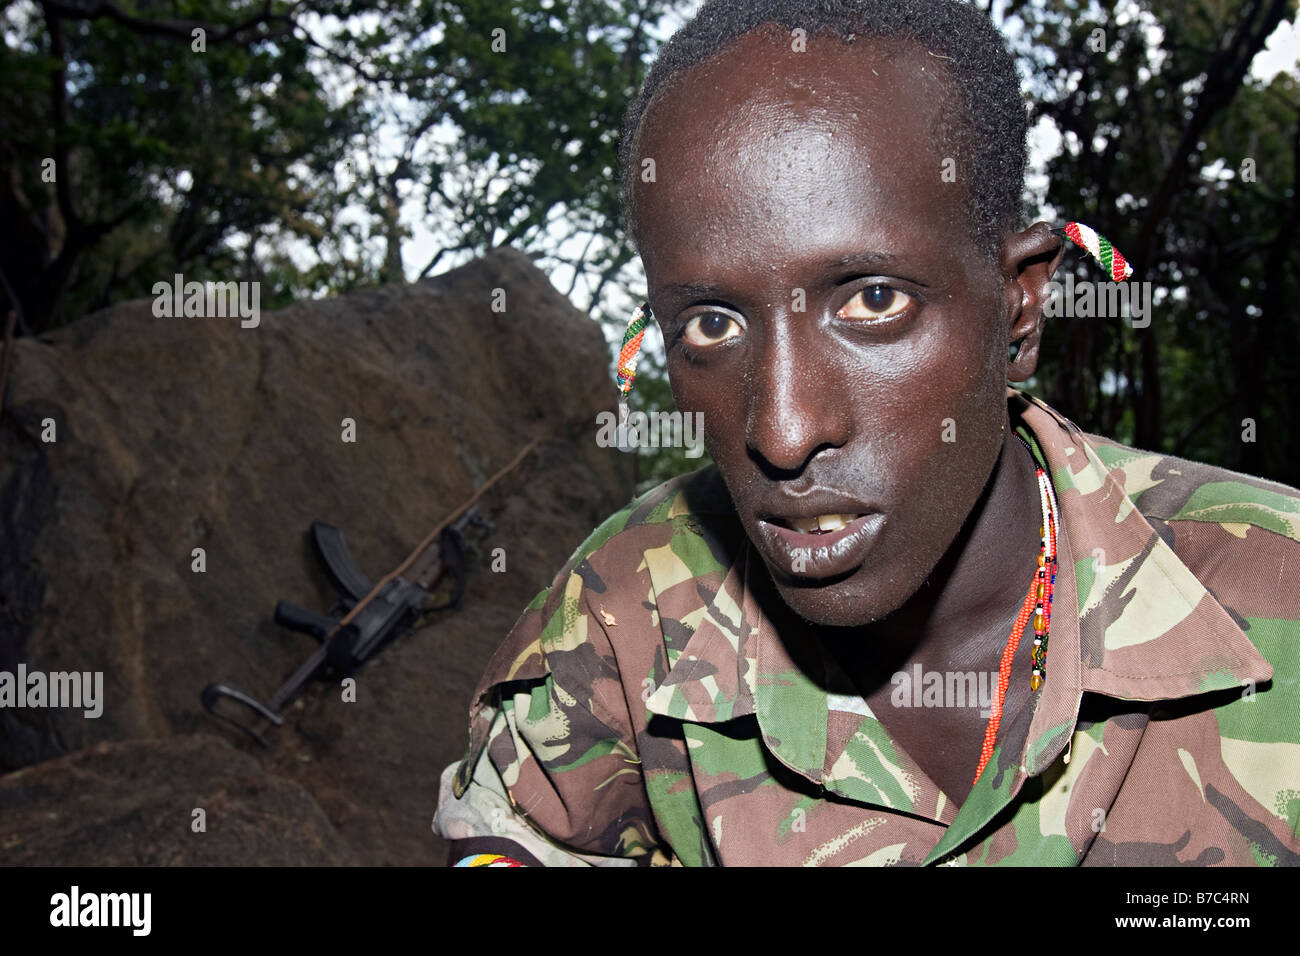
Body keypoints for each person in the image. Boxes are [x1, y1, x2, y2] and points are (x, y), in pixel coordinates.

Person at [433, 0, 1300, 866]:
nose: (783, 430)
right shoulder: (627, 613)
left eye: (873, 301)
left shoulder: (1277, 598)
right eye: (710, 326)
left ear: (1020, 308)